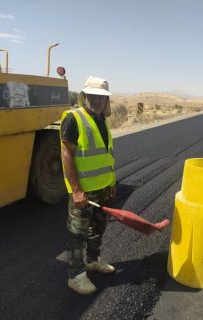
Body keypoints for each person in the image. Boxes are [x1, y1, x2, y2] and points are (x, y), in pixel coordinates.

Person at [60, 76, 117, 295]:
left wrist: (111, 182)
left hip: (103, 188)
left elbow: (107, 154)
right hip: (82, 192)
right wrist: (76, 190)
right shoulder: (74, 118)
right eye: (92, 96)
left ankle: (93, 261)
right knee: (77, 234)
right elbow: (66, 155)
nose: (97, 100)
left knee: (98, 229)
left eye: (101, 97)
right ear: (85, 96)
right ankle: (76, 276)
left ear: (106, 100)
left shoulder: (102, 120)